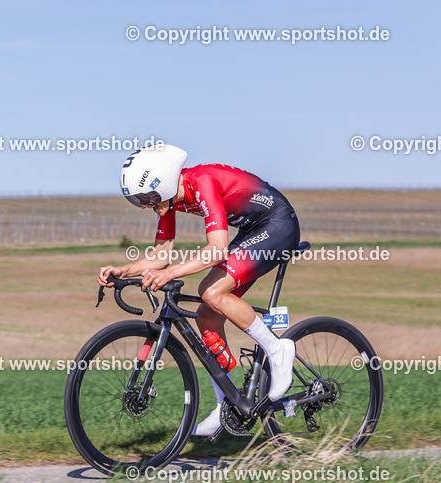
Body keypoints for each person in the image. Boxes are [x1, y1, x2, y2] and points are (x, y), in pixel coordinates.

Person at [99, 144, 299, 437]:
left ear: (165, 181)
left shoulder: (201, 182)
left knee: (211, 291)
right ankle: (227, 404)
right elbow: (160, 255)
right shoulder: (169, 200)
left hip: (278, 225)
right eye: (139, 200)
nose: (146, 205)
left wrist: (168, 274)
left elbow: (217, 249)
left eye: (148, 197)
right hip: (251, 230)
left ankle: (278, 349)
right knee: (206, 315)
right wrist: (124, 270)